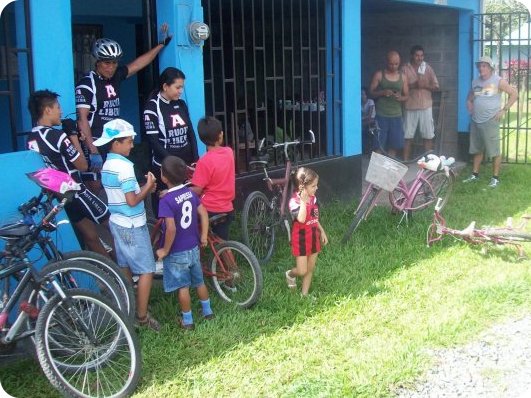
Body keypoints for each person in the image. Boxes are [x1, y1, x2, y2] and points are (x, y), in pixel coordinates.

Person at [75, 24, 172, 190]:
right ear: (97, 62)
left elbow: (139, 64)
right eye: (107, 63)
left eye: (114, 63)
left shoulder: (116, 76)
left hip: (114, 141)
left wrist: (160, 45)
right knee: (96, 185)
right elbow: (82, 119)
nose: (111, 67)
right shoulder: (87, 84)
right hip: (96, 142)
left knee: (122, 180)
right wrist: (92, 150)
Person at [26, 90, 112, 258]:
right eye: (58, 107)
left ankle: (111, 274)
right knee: (114, 226)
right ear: (48, 110)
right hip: (76, 189)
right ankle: (128, 272)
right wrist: (73, 137)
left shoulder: (31, 137)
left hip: (59, 194)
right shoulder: (58, 136)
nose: (61, 112)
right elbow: (82, 165)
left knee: (91, 237)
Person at [94, 118, 160, 331]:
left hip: (117, 223)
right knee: (147, 270)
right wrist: (148, 186)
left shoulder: (107, 165)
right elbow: (132, 200)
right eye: (129, 142)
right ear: (115, 143)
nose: (132, 145)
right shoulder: (124, 167)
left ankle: (128, 308)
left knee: (124, 267)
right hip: (132, 224)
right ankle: (141, 317)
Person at [155, 156, 213, 330]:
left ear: (164, 178)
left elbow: (170, 229)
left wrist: (164, 250)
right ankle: (208, 312)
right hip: (193, 247)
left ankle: (188, 321)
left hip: (177, 252)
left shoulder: (166, 201)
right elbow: (203, 212)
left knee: (183, 287)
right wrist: (203, 236)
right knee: (199, 281)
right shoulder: (190, 194)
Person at [144, 67, 199, 213]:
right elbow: (153, 142)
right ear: (165, 86)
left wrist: (195, 159)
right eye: (177, 87)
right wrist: (174, 163)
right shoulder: (152, 107)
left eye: (182, 87)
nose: (180, 91)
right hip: (165, 165)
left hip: (185, 164)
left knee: (185, 203)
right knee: (165, 206)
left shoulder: (181, 104)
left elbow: (190, 133)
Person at [463, 56, 518, 188]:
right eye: (480, 66)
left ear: (490, 68)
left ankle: (495, 178)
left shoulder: (498, 81)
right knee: (477, 149)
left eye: (484, 66)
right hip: (476, 120)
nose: (481, 68)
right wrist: (469, 102)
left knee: (494, 151)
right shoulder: (475, 81)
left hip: (490, 120)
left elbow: (514, 94)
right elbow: (471, 95)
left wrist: (503, 110)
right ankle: (475, 175)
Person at [285, 167, 328, 296]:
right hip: (301, 240)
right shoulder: (294, 202)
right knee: (302, 270)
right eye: (313, 186)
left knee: (310, 269)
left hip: (314, 237)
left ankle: (304, 295)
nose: (317, 188)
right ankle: (290, 274)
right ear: (302, 187)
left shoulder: (313, 199)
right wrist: (304, 202)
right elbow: (302, 219)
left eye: (316, 185)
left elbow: (314, 218)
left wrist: (322, 231)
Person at [190, 117, 235, 240]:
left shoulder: (204, 161)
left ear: (202, 139)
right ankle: (229, 258)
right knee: (222, 242)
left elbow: (198, 189)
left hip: (210, 208)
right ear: (220, 135)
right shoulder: (229, 152)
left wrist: (183, 191)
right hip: (227, 207)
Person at [401, 45, 440, 160]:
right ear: (412, 56)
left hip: (425, 106)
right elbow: (400, 87)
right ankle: (405, 161)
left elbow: (436, 86)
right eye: (417, 55)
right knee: (407, 136)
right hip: (410, 106)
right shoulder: (405, 68)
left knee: (428, 135)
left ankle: (429, 163)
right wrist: (413, 85)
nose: (420, 58)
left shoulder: (427, 67)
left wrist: (425, 85)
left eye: (422, 55)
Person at [369, 50, 409, 157]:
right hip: (382, 114)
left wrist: (400, 98)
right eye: (391, 63)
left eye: (396, 64)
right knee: (379, 145)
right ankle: (376, 170)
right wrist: (382, 92)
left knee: (394, 145)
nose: (394, 66)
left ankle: (389, 170)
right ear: (387, 62)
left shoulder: (403, 77)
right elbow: (370, 93)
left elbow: (407, 96)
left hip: (396, 115)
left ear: (399, 63)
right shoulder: (379, 75)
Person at [361, 86, 376, 154]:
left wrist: (361, 119)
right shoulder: (358, 103)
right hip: (364, 121)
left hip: (371, 121)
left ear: (366, 95)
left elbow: (369, 116)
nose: (362, 96)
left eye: (363, 94)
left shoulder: (370, 102)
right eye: (360, 94)